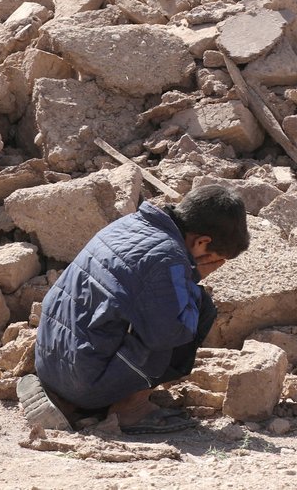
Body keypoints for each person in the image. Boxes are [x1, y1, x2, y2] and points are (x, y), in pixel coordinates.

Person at [18, 184, 250, 435]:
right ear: (202, 242)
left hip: (50, 363)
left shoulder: (131, 223)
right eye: (215, 258)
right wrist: (192, 277)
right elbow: (171, 333)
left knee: (148, 310)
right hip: (84, 381)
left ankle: (68, 400)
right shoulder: (167, 256)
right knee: (198, 310)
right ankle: (130, 408)